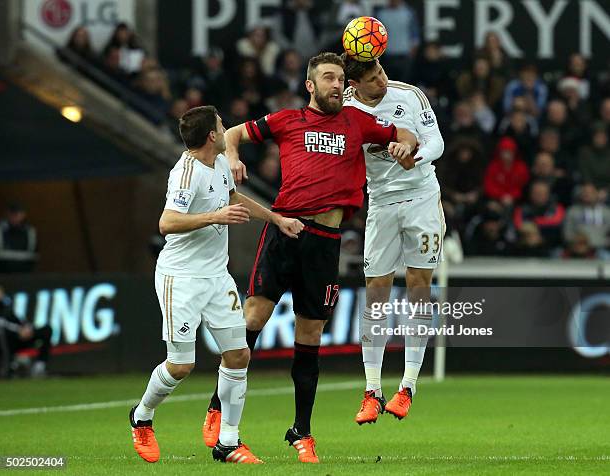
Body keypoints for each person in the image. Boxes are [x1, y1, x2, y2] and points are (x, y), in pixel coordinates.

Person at [202, 52, 418, 463]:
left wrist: (404, 146)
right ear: (311, 86)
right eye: (329, 78)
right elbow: (232, 133)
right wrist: (231, 156)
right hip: (284, 232)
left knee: (310, 337)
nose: (338, 85)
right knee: (251, 322)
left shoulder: (358, 123)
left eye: (341, 79)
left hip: (325, 242)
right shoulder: (287, 120)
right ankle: (217, 407)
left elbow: (405, 133)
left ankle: (302, 431)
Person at [129, 105, 303, 465]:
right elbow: (167, 222)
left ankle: (228, 443)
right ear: (211, 135)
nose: (227, 129)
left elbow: (233, 198)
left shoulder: (221, 164)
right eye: (222, 125)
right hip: (181, 278)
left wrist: (276, 218)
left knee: (239, 355)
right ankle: (142, 416)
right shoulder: (185, 172)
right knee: (180, 366)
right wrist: (216, 216)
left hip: (216, 276)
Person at [341, 55, 444, 424]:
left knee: (418, 287)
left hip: (421, 198)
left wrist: (415, 156)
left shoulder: (410, 95)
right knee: (376, 292)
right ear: (355, 86)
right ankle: (372, 391)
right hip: (382, 204)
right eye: (372, 78)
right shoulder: (345, 111)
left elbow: (437, 142)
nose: (382, 81)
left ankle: (408, 386)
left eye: (381, 72)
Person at [0, 285, 51, 378]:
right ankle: (10, 366)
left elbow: (17, 319)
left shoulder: (6, 305)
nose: (0, 294)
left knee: (46, 330)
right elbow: (2, 323)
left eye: (0, 292)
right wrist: (19, 330)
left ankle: (40, 366)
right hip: (6, 340)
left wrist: (27, 327)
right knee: (3, 334)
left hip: (20, 336)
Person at [0, 203, 38, 273]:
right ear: (8, 214)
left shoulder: (30, 231)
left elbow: (33, 253)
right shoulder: (0, 229)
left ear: (23, 215)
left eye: (18, 214)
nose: (15, 217)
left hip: (24, 271)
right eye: (12, 214)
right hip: (2, 270)